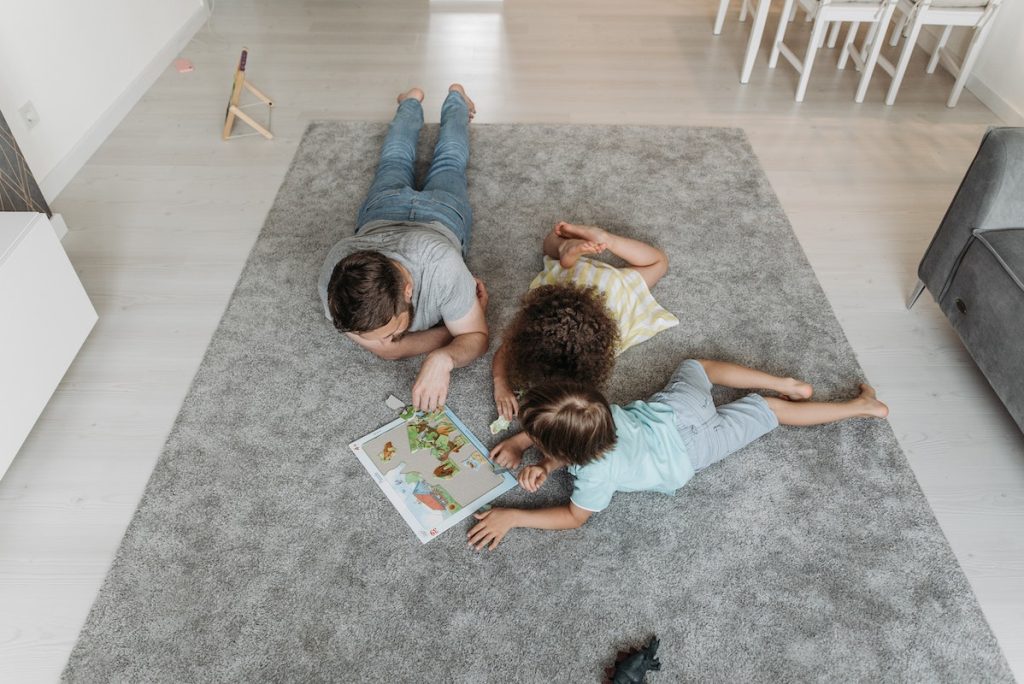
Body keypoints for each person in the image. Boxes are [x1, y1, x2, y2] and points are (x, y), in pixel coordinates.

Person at [468, 359, 889, 550]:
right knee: (698, 367)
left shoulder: (595, 472)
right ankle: (788, 383)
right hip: (676, 414)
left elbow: (575, 518)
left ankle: (859, 408)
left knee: (771, 413)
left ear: (565, 451)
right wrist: (539, 458)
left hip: (692, 453)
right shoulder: (599, 413)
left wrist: (516, 516)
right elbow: (569, 445)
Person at [319, 85, 488, 411]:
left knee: (450, 160)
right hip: (384, 211)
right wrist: (446, 342)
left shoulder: (443, 266)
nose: (382, 344)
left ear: (408, 289)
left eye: (393, 332)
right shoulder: (335, 283)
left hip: (442, 215)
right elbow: (390, 351)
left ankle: (452, 99)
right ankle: (413, 102)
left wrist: (443, 357)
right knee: (395, 159)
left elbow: (478, 339)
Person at [492, 222, 678, 420]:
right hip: (570, 280)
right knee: (658, 262)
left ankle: (570, 249)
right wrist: (500, 382)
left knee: (658, 263)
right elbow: (505, 350)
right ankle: (590, 244)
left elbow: (505, 350)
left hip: (608, 287)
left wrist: (501, 382)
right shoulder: (592, 343)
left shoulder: (613, 323)